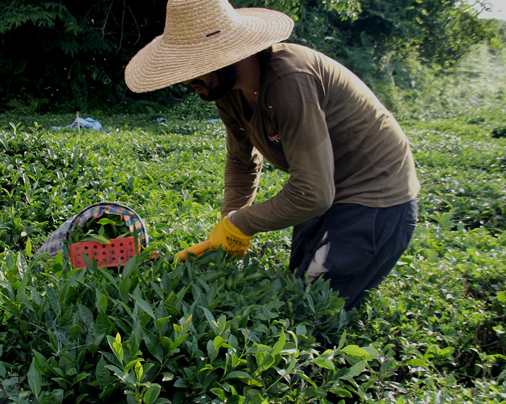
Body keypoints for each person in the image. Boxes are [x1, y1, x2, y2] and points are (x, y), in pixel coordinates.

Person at [124, 0, 420, 309]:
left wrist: (243, 222)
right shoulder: (227, 92)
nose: (186, 80)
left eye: (194, 66)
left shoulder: (289, 80)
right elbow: (242, 160)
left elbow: (314, 192)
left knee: (311, 308)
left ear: (226, 53)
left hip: (375, 198)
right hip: (327, 189)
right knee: (297, 283)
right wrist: (229, 229)